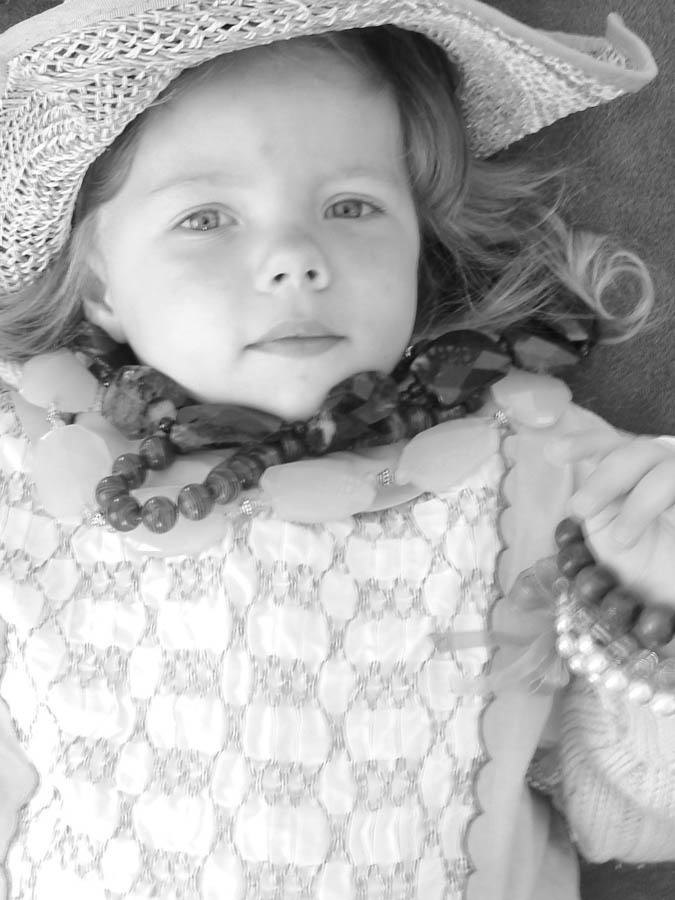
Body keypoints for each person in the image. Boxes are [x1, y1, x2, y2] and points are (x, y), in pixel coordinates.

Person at [0, 2, 673, 898]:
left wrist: (650, 616)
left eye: (351, 206)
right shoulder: (26, 473)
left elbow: (626, 820)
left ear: (420, 245)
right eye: (206, 217)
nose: (294, 257)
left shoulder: (556, 480)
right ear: (100, 286)